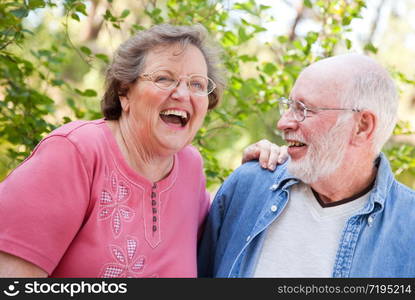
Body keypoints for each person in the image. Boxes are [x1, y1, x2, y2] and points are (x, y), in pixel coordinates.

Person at [0, 24, 286, 278]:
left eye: (196, 84)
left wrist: (254, 172)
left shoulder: (190, 168)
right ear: (125, 92)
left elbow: (221, 253)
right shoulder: (75, 152)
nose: (183, 94)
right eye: (164, 78)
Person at [198, 53, 415, 278]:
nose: (283, 123)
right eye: (289, 106)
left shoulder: (408, 226)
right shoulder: (248, 186)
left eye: (304, 109)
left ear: (362, 126)